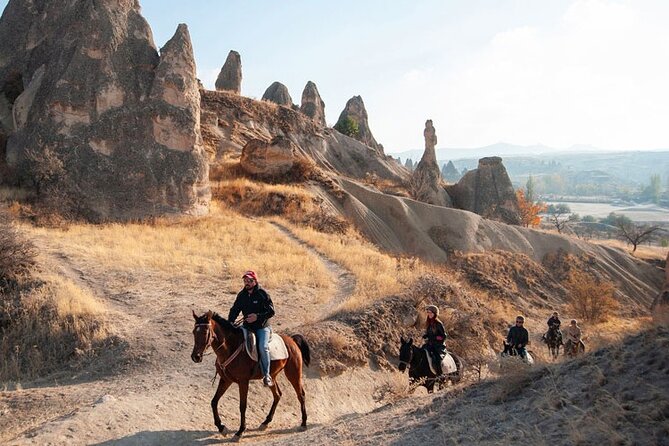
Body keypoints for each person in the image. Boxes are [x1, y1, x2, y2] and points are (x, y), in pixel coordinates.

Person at [228, 270, 276, 386]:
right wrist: (230, 323)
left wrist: (257, 317)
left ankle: (267, 375)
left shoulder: (262, 294)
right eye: (245, 281)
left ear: (255, 281)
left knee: (262, 347)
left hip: (262, 327)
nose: (247, 283)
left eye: (249, 280)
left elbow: (271, 311)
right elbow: (235, 310)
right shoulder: (242, 295)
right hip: (247, 326)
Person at [422, 305, 446, 375]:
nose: (429, 314)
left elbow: (444, 336)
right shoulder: (429, 323)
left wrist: (435, 338)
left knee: (437, 358)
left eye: (430, 312)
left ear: (435, 314)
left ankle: (440, 375)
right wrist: (426, 335)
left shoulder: (439, 324)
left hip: (438, 346)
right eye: (428, 312)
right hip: (430, 344)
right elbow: (429, 334)